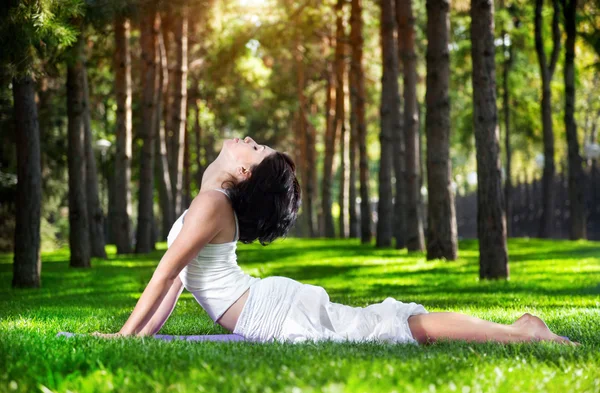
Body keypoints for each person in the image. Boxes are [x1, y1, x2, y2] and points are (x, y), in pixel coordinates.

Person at [93, 136, 572, 345]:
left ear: (242, 172)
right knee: (390, 325)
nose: (249, 141)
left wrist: (122, 335)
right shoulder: (212, 200)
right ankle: (515, 329)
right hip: (268, 304)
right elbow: (174, 284)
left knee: (395, 328)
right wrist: (137, 336)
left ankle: (519, 332)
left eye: (255, 149)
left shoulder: (211, 204)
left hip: (273, 313)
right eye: (257, 146)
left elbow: (169, 271)